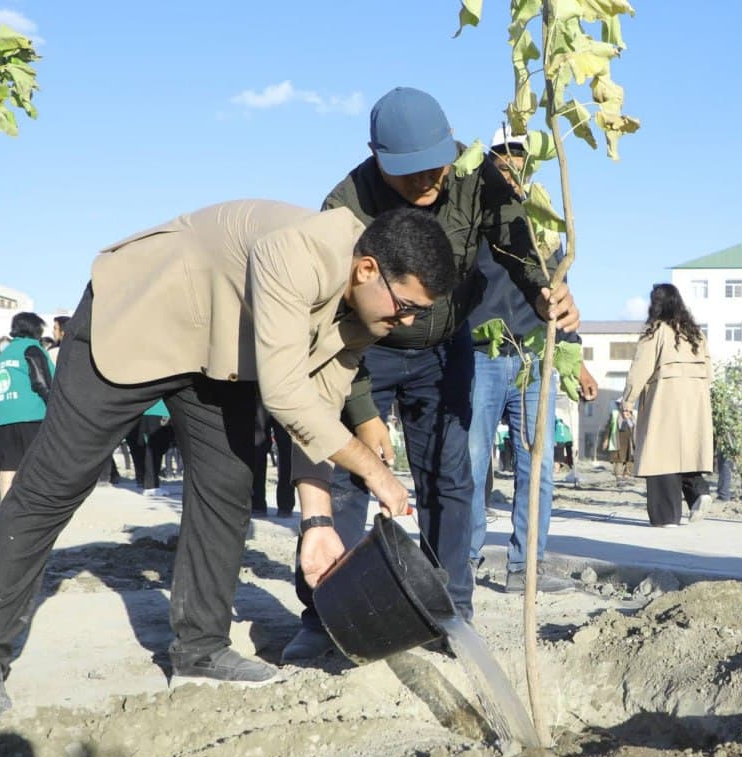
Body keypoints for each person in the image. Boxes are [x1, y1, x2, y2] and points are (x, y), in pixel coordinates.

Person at [0, 200, 457, 720]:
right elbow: (288, 395)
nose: (407, 321)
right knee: (55, 481)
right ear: (367, 269)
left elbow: (315, 411)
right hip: (142, 317)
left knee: (227, 486)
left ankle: (200, 649)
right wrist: (375, 471)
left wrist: (316, 519)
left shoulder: (367, 316)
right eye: (406, 306)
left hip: (219, 356)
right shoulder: (297, 253)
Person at [281, 87, 580, 663]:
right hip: (364, 349)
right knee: (345, 481)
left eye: (434, 166)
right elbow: (334, 317)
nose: (426, 182)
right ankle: (323, 615)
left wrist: (547, 293)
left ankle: (449, 612)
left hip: (446, 348)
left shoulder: (479, 175)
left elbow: (519, 250)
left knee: (451, 479)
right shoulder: (343, 207)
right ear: (377, 160)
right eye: (408, 174)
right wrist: (365, 415)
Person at [465, 128, 595, 595]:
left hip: (535, 359)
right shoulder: (477, 220)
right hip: (482, 355)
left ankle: (526, 567)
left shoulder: (543, 229)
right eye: (503, 158)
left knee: (534, 466)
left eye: (520, 159)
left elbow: (561, 296)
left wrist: (574, 359)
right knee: (473, 463)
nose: (512, 167)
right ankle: (463, 562)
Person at [621, 283, 714, 527]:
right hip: (697, 396)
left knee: (661, 452)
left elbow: (641, 368)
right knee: (687, 450)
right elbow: (709, 370)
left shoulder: (656, 330)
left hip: (666, 396)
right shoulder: (696, 333)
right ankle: (699, 492)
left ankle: (667, 517)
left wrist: (628, 400)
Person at [0, 312, 54, 499]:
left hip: (3, 416)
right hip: (30, 414)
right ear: (33, 328)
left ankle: (5, 504)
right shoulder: (31, 348)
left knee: (9, 464)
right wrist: (54, 405)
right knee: (37, 462)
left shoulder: (4, 353)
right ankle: (35, 501)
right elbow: (41, 381)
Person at [252, 407, 294, 517]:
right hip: (259, 397)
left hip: (285, 399)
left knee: (287, 449)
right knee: (258, 447)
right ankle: (257, 502)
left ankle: (286, 504)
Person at [125, 400, 174, 496]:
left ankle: (150, 483)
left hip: (147, 411)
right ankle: (151, 486)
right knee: (155, 450)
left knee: (150, 449)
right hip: (159, 411)